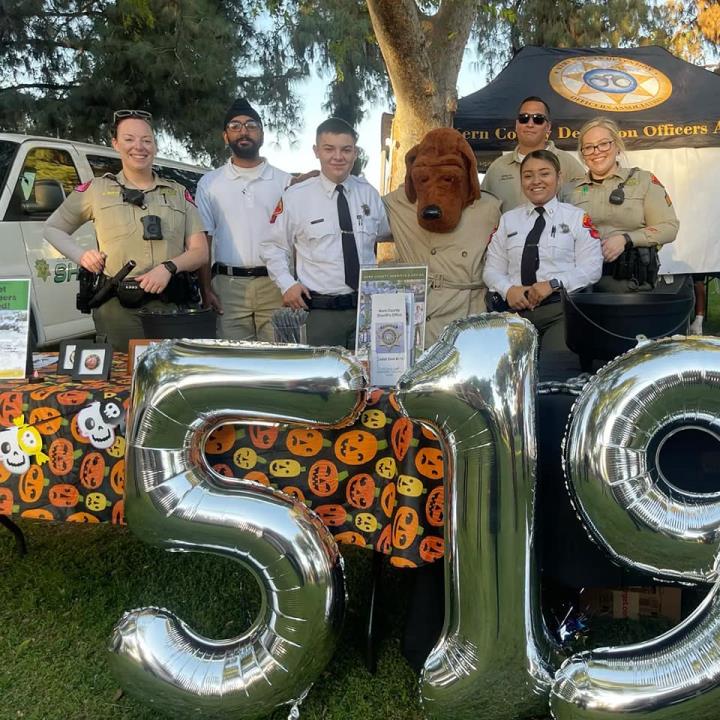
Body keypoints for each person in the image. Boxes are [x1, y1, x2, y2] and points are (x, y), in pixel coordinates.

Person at [43, 110, 207, 352]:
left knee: (169, 379)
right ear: (116, 144)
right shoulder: (96, 190)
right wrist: (82, 256)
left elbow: (200, 251)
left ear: (155, 146)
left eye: (146, 140)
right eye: (129, 139)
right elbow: (53, 228)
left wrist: (168, 267)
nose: (138, 147)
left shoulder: (178, 193)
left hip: (170, 307)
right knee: (120, 382)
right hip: (117, 310)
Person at [261, 117, 390, 349]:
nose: (338, 157)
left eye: (346, 150)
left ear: (355, 153)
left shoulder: (369, 194)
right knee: (322, 382)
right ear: (316, 151)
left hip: (367, 310)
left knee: (369, 380)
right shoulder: (295, 197)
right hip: (321, 313)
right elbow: (272, 246)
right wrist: (286, 284)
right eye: (329, 149)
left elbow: (385, 234)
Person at [483, 150, 603, 350]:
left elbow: (592, 268)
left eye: (544, 173)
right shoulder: (508, 220)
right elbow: (491, 270)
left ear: (559, 177)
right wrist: (508, 290)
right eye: (528, 176)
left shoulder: (576, 218)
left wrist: (553, 284)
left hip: (560, 311)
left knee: (554, 371)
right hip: (513, 315)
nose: (536, 181)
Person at [195, 98, 291, 341]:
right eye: (235, 126)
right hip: (228, 288)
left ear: (261, 133)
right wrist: (205, 289)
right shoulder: (210, 183)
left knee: (277, 360)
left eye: (251, 125)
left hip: (275, 284)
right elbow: (204, 239)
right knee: (234, 363)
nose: (244, 131)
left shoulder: (284, 182)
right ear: (225, 136)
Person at [560, 117, 679, 293]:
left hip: (628, 286)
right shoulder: (568, 190)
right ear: (582, 154)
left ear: (617, 146)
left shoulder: (643, 181)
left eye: (604, 144)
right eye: (588, 147)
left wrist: (626, 239)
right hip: (579, 288)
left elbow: (669, 227)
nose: (596, 151)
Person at [481, 96, 585, 212]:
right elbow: (483, 210)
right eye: (524, 118)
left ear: (548, 127)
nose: (530, 124)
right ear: (516, 125)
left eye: (538, 119)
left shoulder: (569, 164)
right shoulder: (497, 168)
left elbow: (586, 198)